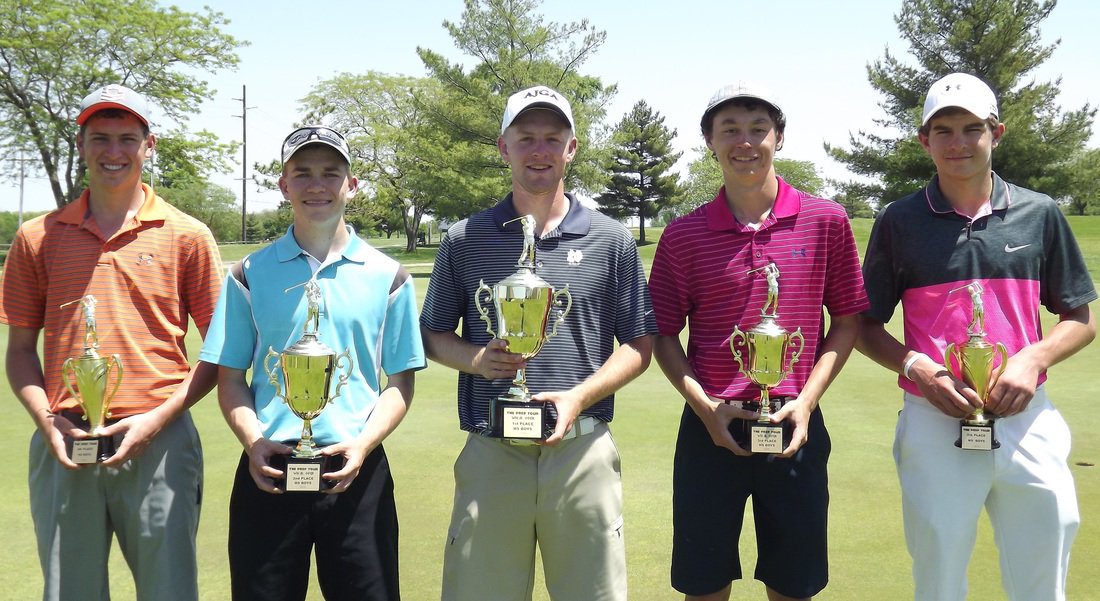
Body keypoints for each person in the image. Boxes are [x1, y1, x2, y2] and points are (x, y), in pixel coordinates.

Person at [857, 72, 1097, 601]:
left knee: (1045, 568)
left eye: (972, 128)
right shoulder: (899, 220)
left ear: (996, 133)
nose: (958, 143)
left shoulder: (1040, 212)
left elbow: (1081, 317)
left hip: (1026, 414)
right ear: (924, 139)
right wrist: (918, 366)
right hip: (933, 415)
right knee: (939, 577)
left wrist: (1033, 359)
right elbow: (864, 326)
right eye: (943, 130)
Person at [419, 85, 656, 601]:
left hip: (581, 449)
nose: (539, 150)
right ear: (503, 147)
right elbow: (432, 333)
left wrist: (579, 397)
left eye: (553, 138)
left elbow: (639, 344)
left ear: (572, 148)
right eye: (526, 138)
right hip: (492, 450)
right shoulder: (464, 238)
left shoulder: (611, 238)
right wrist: (478, 360)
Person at [0, 83, 224, 601]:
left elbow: (220, 353)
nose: (113, 152)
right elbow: (19, 353)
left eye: (127, 139)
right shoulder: (36, 237)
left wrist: (156, 420)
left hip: (160, 441)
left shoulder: (187, 234)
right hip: (64, 440)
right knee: (69, 592)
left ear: (150, 145)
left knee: (169, 592)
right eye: (100, 138)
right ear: (81, 145)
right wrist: (47, 421)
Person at [648, 82, 869, 601]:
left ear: (779, 137)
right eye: (729, 130)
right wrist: (706, 409)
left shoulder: (827, 221)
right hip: (710, 426)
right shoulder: (683, 234)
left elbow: (847, 321)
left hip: (795, 424)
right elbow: (663, 335)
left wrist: (807, 402)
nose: (744, 142)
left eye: (758, 129)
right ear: (709, 141)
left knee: (793, 586)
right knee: (704, 586)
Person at [199, 126, 425, 601]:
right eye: (302, 173)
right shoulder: (248, 273)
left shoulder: (390, 276)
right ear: (284, 185)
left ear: (352, 185)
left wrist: (363, 444)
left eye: (330, 173)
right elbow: (231, 378)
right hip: (270, 468)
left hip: (356, 469)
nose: (316, 185)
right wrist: (253, 442)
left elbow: (399, 383)